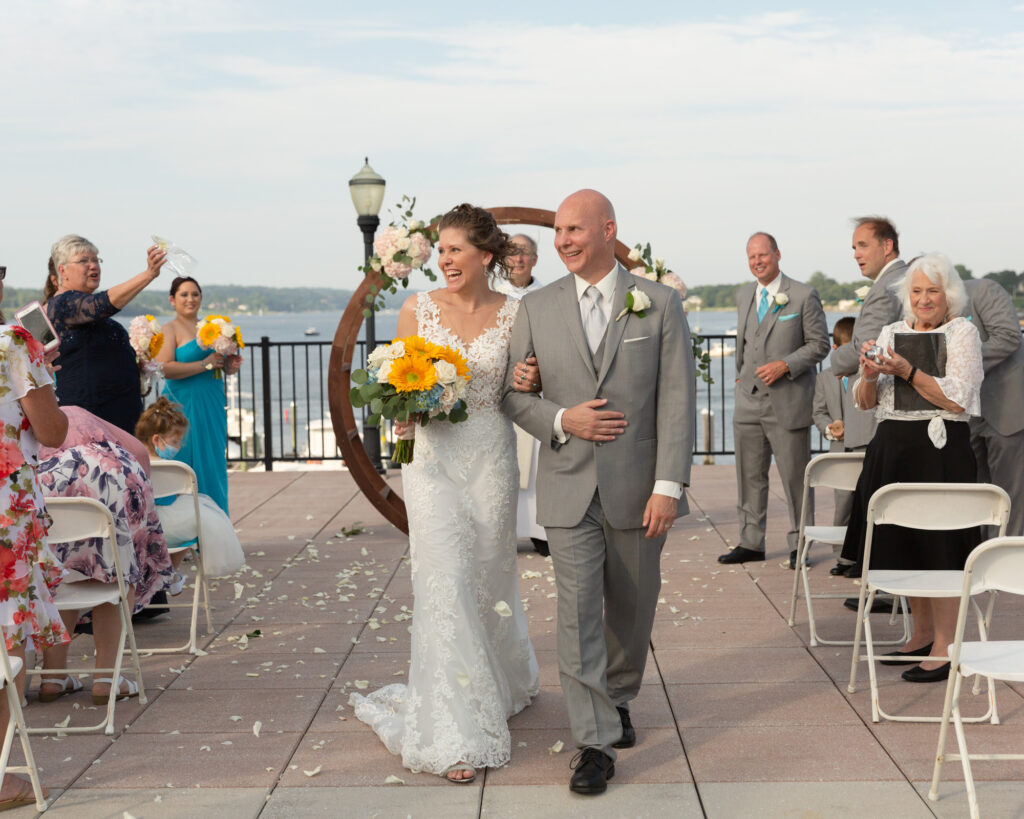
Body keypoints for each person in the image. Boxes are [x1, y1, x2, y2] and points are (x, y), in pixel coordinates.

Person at [502, 189, 695, 796]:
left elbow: (677, 399)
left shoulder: (657, 303)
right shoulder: (535, 306)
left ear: (608, 230)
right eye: (558, 231)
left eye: (574, 230)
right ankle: (594, 742)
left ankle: (618, 695)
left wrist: (668, 485)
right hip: (565, 485)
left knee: (633, 608)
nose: (562, 241)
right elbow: (514, 395)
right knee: (576, 612)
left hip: (639, 487)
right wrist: (563, 420)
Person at [350, 204, 539, 785]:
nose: (446, 259)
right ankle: (454, 729)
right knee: (445, 580)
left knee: (487, 574)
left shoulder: (517, 313)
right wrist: (402, 416)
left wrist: (530, 380)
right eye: (443, 249)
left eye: (457, 249)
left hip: (490, 457)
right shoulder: (417, 308)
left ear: (486, 256)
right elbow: (396, 379)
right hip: (431, 463)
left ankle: (494, 682)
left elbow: (524, 385)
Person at [840, 252, 983, 683]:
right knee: (907, 546)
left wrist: (909, 370)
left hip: (939, 453)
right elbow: (865, 402)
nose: (923, 299)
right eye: (917, 291)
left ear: (948, 296)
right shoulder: (891, 331)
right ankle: (920, 634)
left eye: (932, 291)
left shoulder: (963, 333)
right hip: (891, 450)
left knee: (942, 548)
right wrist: (867, 375)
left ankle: (946, 645)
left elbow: (957, 397)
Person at [0, 280, 70, 809]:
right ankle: (1, 778)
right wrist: (42, 381)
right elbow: (51, 431)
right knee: (6, 633)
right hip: (5, 507)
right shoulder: (14, 344)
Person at [720, 233, 829, 568]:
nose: (757, 262)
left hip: (788, 400)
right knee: (749, 475)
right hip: (748, 401)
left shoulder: (802, 295)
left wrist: (786, 365)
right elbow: (744, 342)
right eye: (751, 257)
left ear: (777, 255)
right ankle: (751, 542)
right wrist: (741, 375)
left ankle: (801, 543)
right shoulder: (743, 295)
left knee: (795, 477)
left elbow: (820, 345)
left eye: (763, 255)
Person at [37, 405, 174, 638]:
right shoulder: (80, 415)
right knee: (121, 576)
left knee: (67, 578)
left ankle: (54, 674)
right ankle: (107, 673)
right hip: (113, 480)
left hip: (51, 489)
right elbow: (139, 452)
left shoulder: (32, 429)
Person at [44, 235, 166, 433]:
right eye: (84, 261)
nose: (93, 266)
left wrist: (136, 366)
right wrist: (148, 274)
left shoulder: (86, 311)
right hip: (90, 421)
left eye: (96, 260)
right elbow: (101, 304)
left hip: (120, 417)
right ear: (62, 271)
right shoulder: (62, 304)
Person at [154, 276, 241, 514]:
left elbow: (223, 367)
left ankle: (214, 527)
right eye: (184, 294)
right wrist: (205, 364)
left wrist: (231, 364)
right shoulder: (169, 329)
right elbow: (165, 368)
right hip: (180, 405)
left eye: (195, 294)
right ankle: (180, 532)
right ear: (173, 300)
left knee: (212, 463)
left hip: (210, 401)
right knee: (179, 461)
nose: (190, 299)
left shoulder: (213, 328)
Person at [136, 398, 245, 578]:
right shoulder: (174, 469)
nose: (179, 447)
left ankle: (159, 575)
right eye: (175, 441)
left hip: (138, 527)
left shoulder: (133, 463)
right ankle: (169, 575)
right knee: (195, 524)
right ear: (157, 439)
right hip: (166, 529)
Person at [829, 217, 908, 450]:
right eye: (854, 248)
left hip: (874, 421)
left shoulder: (886, 288)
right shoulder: (905, 277)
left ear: (887, 246)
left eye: (863, 245)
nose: (856, 254)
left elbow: (866, 349)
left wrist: (834, 359)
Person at [491, 234, 548, 555]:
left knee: (538, 464)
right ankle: (503, 532)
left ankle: (540, 532)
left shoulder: (548, 295)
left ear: (535, 259)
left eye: (524, 253)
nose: (518, 259)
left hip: (537, 389)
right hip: (499, 388)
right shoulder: (492, 295)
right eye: (511, 253)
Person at [811, 317, 873, 574]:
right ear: (836, 351)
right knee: (843, 504)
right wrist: (829, 428)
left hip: (865, 448)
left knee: (866, 503)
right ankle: (842, 557)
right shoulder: (825, 377)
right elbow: (818, 412)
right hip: (839, 451)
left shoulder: (867, 374)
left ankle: (864, 557)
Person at [964, 277, 1024, 538]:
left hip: (1004, 407)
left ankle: (1007, 569)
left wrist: (959, 357)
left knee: (1010, 498)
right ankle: (977, 565)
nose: (921, 298)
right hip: (965, 415)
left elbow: (1009, 336)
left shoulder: (982, 290)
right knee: (973, 495)